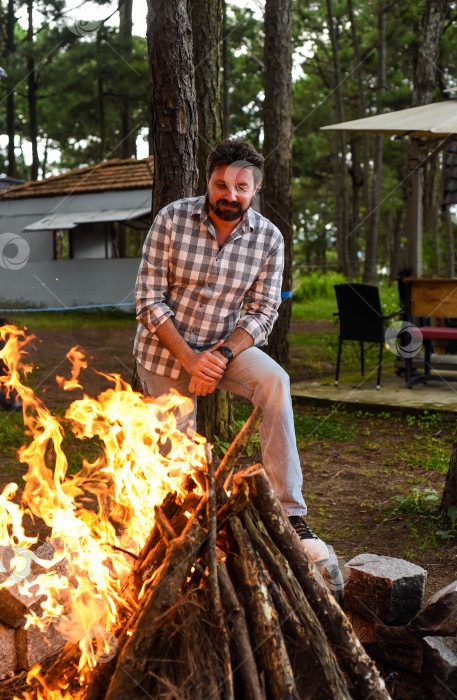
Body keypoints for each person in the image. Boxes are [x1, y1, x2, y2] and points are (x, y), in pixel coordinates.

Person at [133, 138, 329, 563]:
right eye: (221, 184)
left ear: (254, 189)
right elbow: (148, 300)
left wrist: (219, 356)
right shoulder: (171, 219)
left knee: (276, 381)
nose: (230, 195)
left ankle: (290, 511)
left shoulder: (269, 239)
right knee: (176, 470)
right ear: (208, 180)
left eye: (241, 187)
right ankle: (178, 534)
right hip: (165, 355)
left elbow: (263, 312)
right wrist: (189, 360)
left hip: (225, 349)